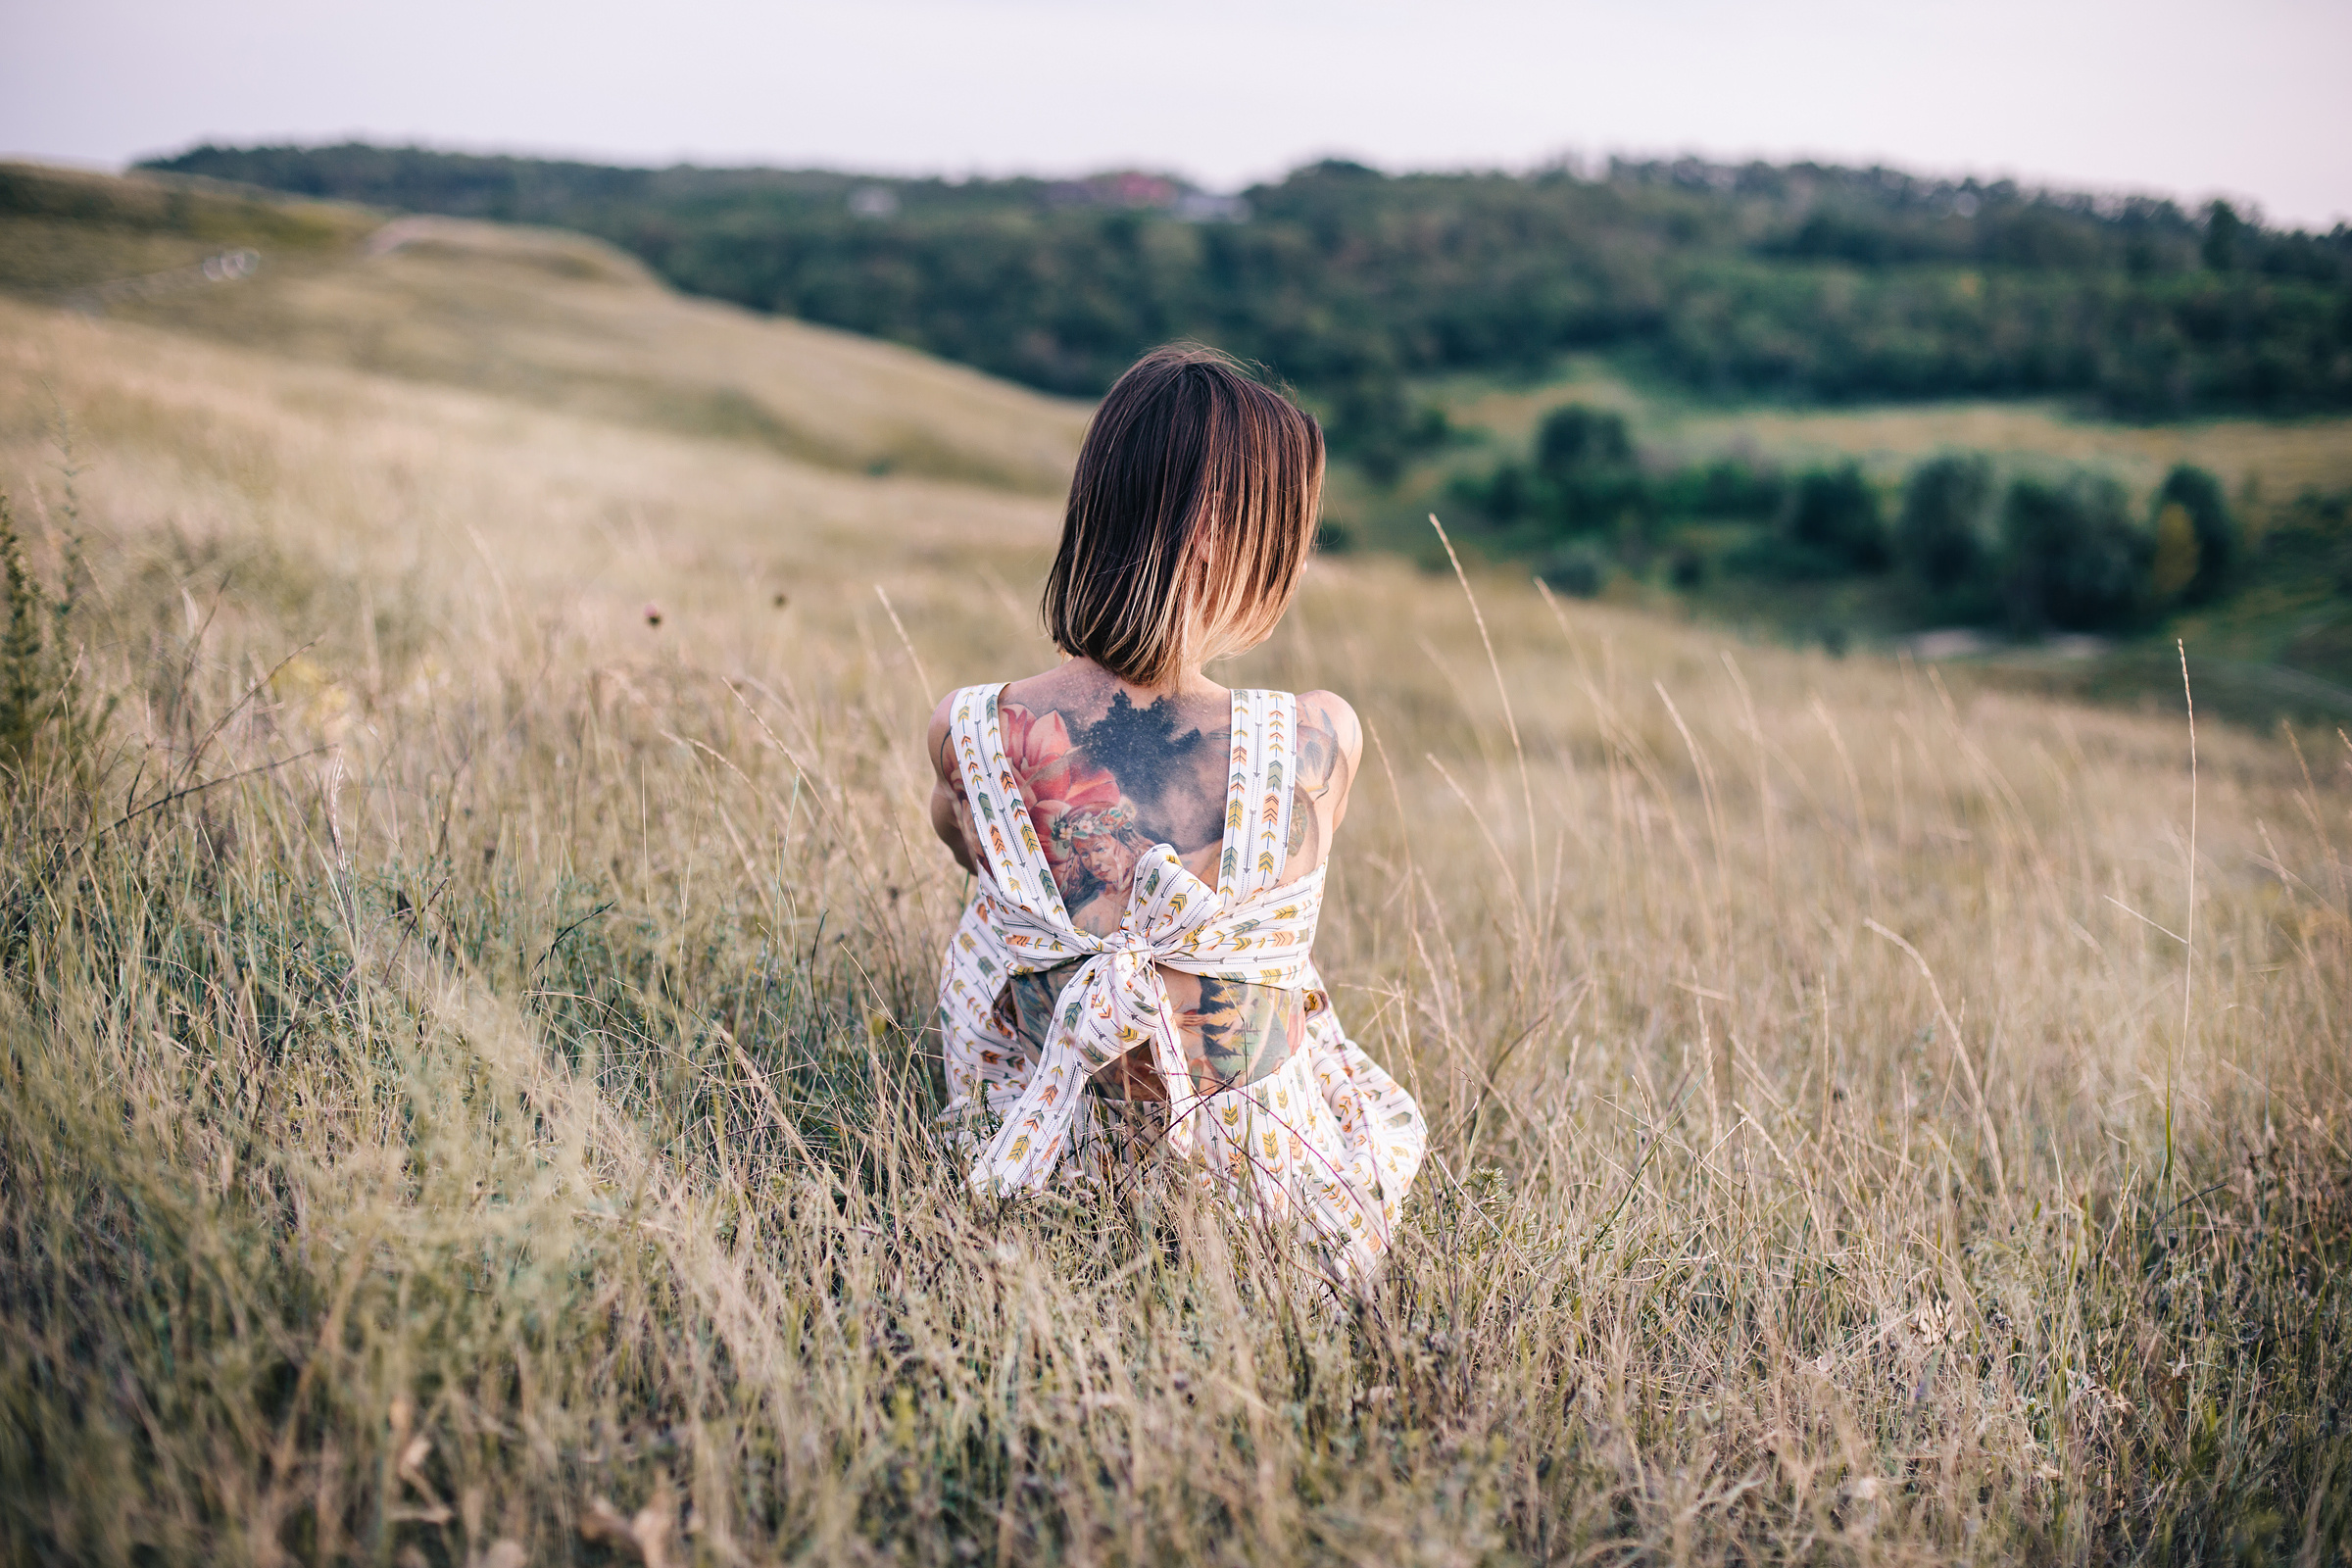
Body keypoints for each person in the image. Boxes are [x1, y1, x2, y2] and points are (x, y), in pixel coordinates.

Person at [927, 343, 1425, 1292]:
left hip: (1051, 1180)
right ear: (1215, 535)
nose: (1299, 558)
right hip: (1265, 1208)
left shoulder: (972, 730)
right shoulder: (1315, 738)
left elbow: (969, 861)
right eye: (1286, 533)